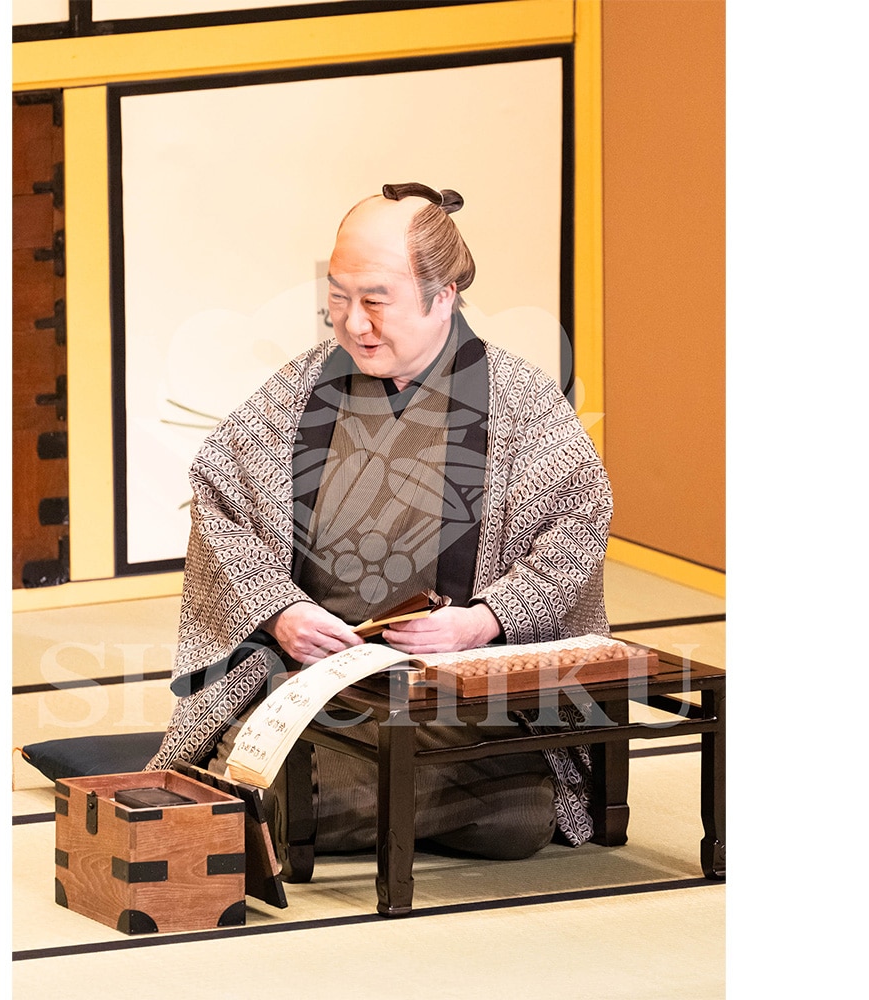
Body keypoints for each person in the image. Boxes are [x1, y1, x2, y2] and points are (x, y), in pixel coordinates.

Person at [146, 182, 613, 860]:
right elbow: (220, 491)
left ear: (443, 296)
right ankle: (319, 797)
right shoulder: (302, 388)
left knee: (511, 815)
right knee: (289, 773)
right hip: (312, 686)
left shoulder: (520, 400)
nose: (354, 324)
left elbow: (579, 520)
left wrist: (485, 619)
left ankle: (287, 805)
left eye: (375, 301)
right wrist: (281, 612)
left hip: (454, 697)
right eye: (339, 298)